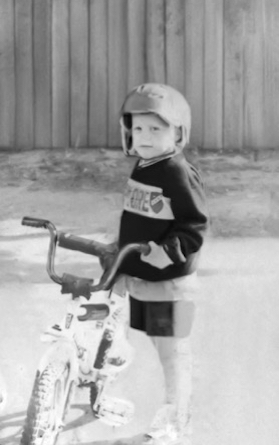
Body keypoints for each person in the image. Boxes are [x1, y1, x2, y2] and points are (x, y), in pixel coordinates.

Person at [112, 83, 209, 445]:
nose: (146, 137)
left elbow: (194, 226)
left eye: (157, 129)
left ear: (178, 133)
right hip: (141, 274)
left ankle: (176, 420)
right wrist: (120, 250)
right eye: (138, 129)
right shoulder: (144, 165)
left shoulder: (176, 171)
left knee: (171, 353)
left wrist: (168, 251)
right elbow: (140, 216)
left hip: (168, 282)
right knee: (149, 339)